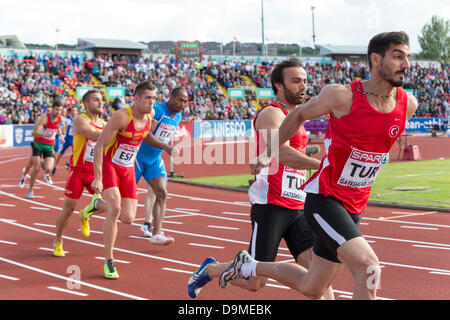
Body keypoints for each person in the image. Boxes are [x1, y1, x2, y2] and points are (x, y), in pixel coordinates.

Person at [219, 31, 418, 300]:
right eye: (397, 56)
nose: (405, 64)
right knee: (369, 267)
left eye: (407, 57)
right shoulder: (342, 96)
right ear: (375, 58)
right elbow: (299, 113)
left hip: (355, 204)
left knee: (313, 286)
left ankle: (249, 265)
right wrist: (269, 151)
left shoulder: (408, 105)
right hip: (325, 199)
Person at [188, 59, 333, 299]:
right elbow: (280, 152)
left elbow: (292, 155)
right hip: (271, 206)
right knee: (255, 281)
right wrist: (322, 167)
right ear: (278, 85)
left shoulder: (297, 117)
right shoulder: (271, 113)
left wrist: (311, 160)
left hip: (298, 203)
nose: (303, 86)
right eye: (296, 81)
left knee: (318, 273)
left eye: (305, 81)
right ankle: (212, 269)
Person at [79, 81, 156, 279]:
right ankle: (109, 261)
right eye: (147, 98)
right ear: (136, 98)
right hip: (110, 166)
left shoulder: (150, 116)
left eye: (154, 98)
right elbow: (98, 146)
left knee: (128, 218)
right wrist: (97, 178)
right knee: (115, 208)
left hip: (128, 169)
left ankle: (95, 205)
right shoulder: (121, 116)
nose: (151, 102)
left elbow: (142, 137)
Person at [52, 89, 105, 257]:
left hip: (95, 171)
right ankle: (58, 241)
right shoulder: (81, 120)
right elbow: (93, 135)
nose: (100, 102)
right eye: (96, 100)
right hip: (78, 172)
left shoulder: (104, 123)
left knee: (112, 204)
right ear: (86, 104)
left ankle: (86, 213)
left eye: (101, 99)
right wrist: (115, 132)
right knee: (68, 209)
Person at [135, 87, 188, 245]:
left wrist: (164, 148)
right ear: (171, 97)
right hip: (138, 157)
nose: (182, 104)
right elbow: (146, 135)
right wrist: (166, 148)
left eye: (185, 101)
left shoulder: (178, 116)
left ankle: (156, 233)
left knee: (162, 193)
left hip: (154, 160)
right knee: (122, 201)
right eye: (180, 99)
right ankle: (94, 207)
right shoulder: (157, 110)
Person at [26, 100, 65, 198]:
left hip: (49, 145)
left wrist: (61, 137)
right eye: (56, 109)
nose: (58, 112)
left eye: (60, 110)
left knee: (49, 168)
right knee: (36, 168)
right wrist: (44, 134)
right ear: (52, 108)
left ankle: (44, 167)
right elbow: (33, 133)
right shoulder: (45, 118)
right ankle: (30, 190)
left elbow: (57, 127)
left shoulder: (59, 118)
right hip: (38, 143)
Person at [52, 106, 78, 176]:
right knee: (59, 155)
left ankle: (69, 163)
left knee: (76, 154)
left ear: (77, 112)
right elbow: (63, 130)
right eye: (72, 110)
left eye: (75, 110)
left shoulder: (78, 120)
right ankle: (54, 166)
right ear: (70, 112)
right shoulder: (67, 120)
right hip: (67, 139)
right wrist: (63, 131)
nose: (73, 112)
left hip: (74, 140)